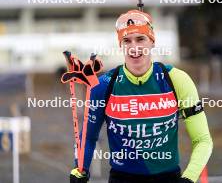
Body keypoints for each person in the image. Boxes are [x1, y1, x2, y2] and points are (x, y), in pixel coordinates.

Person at [70, 10, 213, 183]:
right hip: (122, 178)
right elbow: (88, 138)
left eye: (140, 39)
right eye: (127, 41)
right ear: (121, 45)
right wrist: (81, 169)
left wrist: (189, 178)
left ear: (152, 41)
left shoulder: (176, 80)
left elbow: (203, 140)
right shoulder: (103, 86)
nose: (134, 47)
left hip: (168, 178)